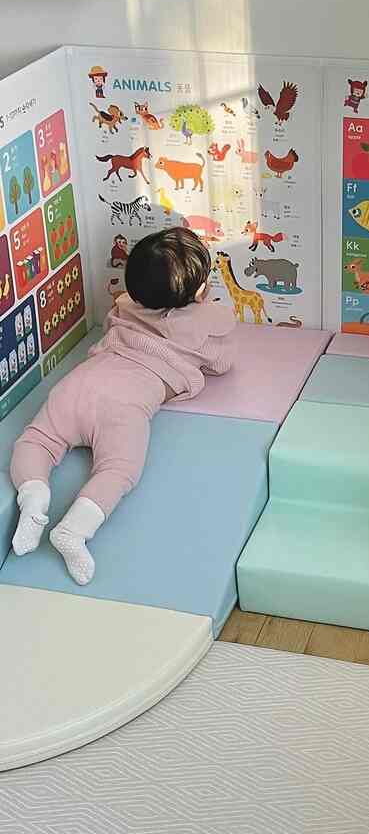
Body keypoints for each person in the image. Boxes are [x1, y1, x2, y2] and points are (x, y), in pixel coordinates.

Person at [10, 228, 236, 585]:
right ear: (199, 291)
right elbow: (222, 363)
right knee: (117, 470)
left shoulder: (125, 305)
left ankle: (34, 495)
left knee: (35, 440)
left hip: (81, 383)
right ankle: (74, 529)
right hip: (123, 405)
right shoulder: (203, 323)